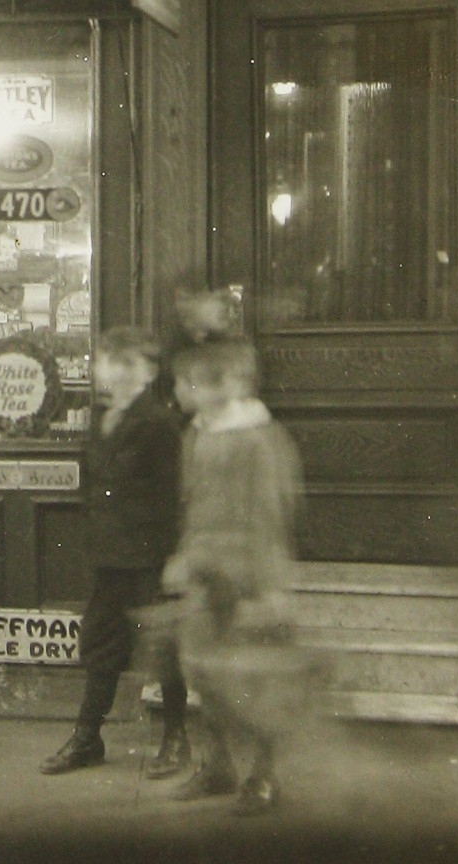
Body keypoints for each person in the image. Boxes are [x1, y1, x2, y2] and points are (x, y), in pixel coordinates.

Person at [39, 327, 190, 778]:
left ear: (148, 372)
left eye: (128, 364)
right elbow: (92, 488)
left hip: (148, 557)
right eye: (110, 363)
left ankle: (176, 740)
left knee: (163, 648)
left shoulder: (158, 424)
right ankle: (88, 737)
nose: (117, 373)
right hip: (109, 557)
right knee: (101, 646)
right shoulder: (103, 419)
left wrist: (171, 559)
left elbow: (172, 498)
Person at [162, 339, 304, 817]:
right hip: (206, 569)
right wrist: (185, 555)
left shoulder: (258, 438)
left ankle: (265, 775)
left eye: (186, 383)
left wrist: (268, 586)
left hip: (247, 573)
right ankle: (218, 765)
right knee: (205, 671)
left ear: (219, 386)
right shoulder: (197, 434)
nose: (179, 391)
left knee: (256, 679)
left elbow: (270, 511)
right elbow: (192, 503)